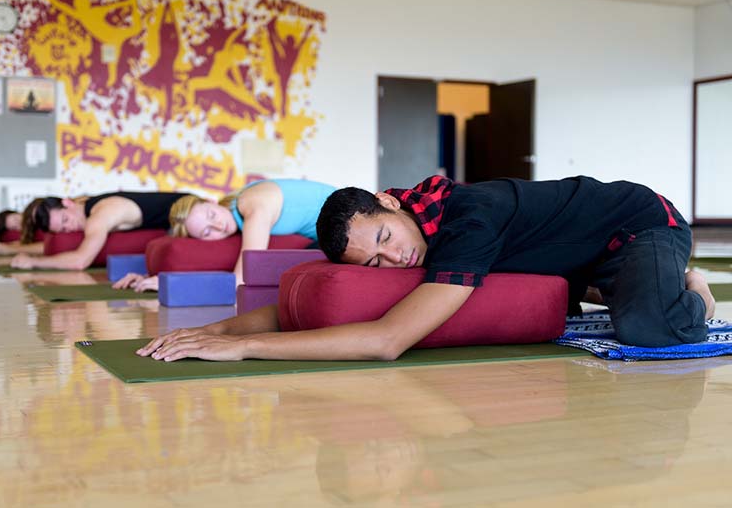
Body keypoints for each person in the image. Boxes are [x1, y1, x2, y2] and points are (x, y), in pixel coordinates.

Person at [136, 175, 717, 362]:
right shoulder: (402, 230)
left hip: (641, 224)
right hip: (577, 259)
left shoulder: (468, 220)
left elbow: (389, 340)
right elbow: (332, 303)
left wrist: (246, 350)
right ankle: (637, 285)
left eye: (386, 240)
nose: (395, 261)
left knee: (645, 327)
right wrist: (213, 330)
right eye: (376, 260)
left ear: (390, 204)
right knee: (608, 298)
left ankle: (694, 289)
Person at [113, 179, 336, 291]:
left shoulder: (250, 205)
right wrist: (148, 275)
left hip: (352, 225)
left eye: (211, 215)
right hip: (333, 232)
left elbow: (243, 279)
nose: (218, 226)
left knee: (305, 266)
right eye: (207, 232)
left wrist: (170, 284)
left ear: (212, 201)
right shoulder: (241, 211)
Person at [11, 192, 190, 270]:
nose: (70, 227)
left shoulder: (99, 216)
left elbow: (80, 261)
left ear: (68, 202)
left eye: (66, 219)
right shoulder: (89, 205)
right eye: (63, 229)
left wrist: (34, 262)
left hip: (190, 212)